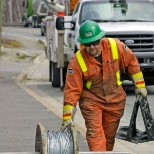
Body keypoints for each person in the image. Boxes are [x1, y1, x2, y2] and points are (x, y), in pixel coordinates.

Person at [60, 20, 147, 151]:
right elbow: (72, 90)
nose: (92, 47)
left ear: (101, 39)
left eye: (95, 42)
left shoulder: (116, 47)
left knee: (109, 138)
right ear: (83, 44)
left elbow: (132, 63)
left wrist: (140, 87)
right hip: (91, 101)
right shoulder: (77, 61)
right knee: (96, 136)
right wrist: (67, 118)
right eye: (88, 44)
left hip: (115, 101)